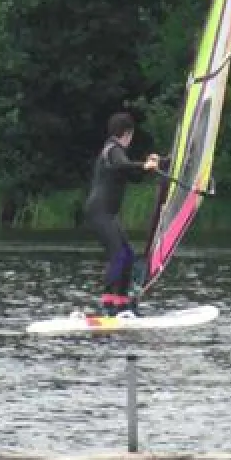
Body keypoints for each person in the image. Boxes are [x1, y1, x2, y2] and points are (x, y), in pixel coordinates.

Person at [83, 112, 160, 316]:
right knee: (118, 254)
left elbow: (134, 177)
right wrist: (144, 165)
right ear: (127, 134)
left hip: (107, 214)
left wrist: (152, 165)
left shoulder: (116, 152)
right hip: (99, 212)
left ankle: (122, 302)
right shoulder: (113, 149)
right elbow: (121, 165)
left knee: (128, 255)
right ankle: (108, 303)